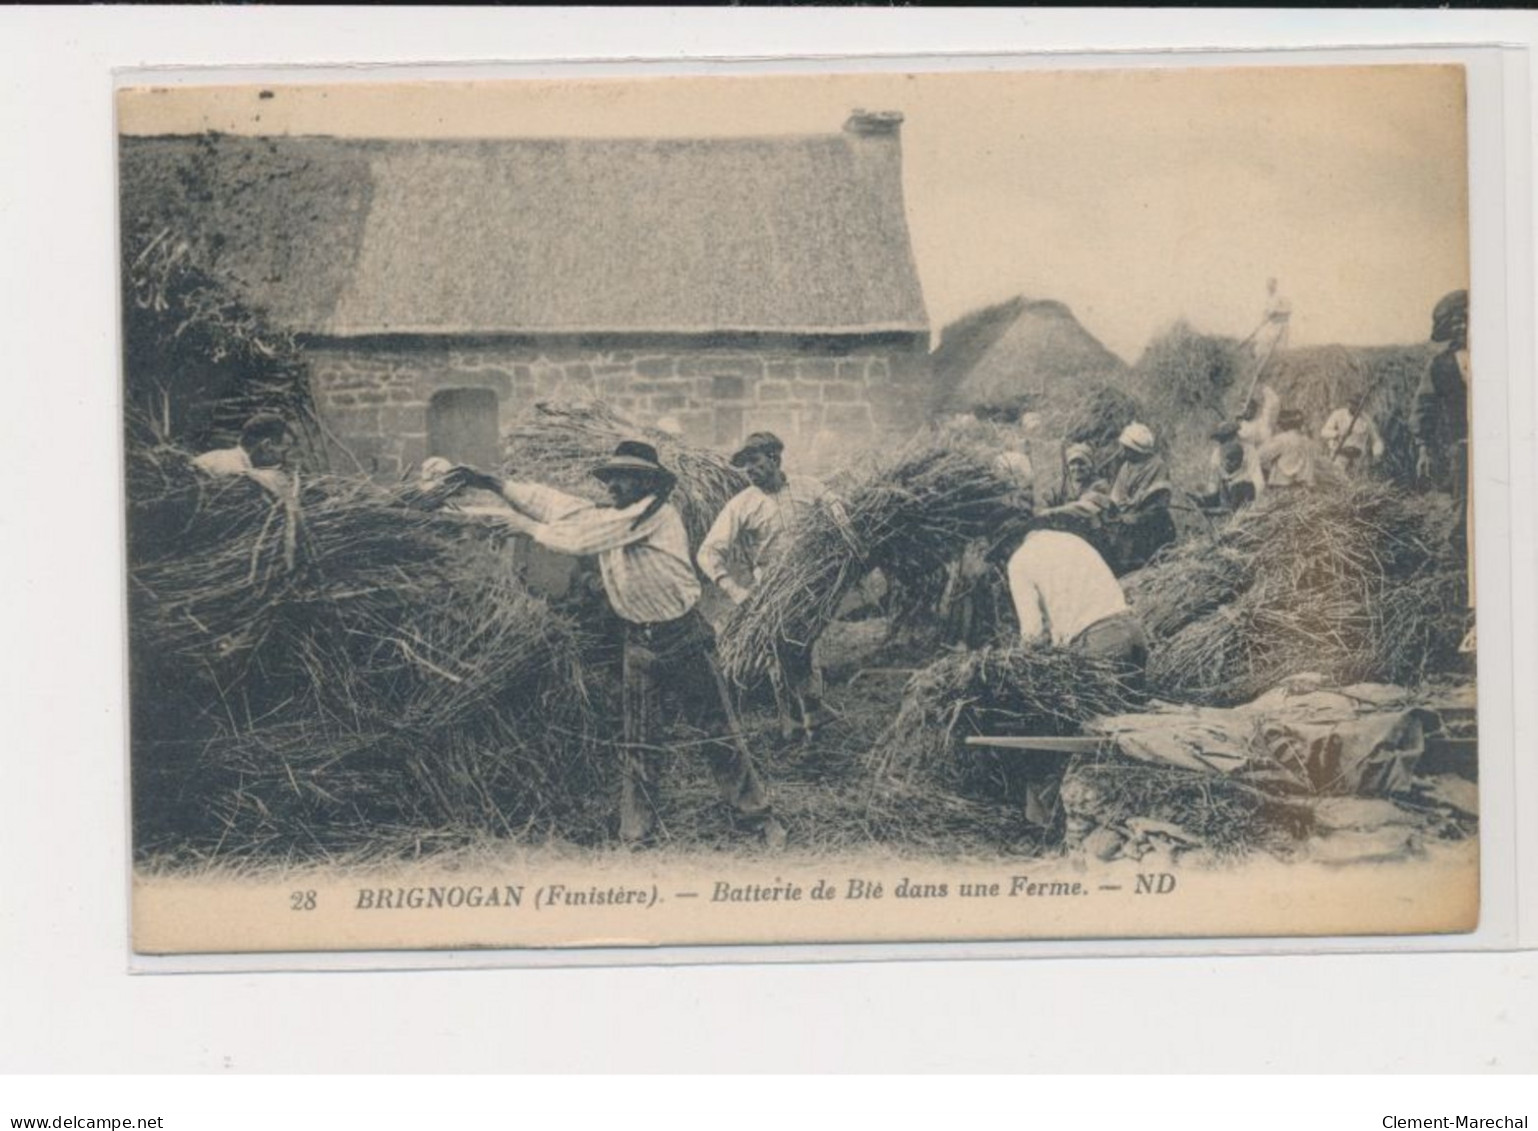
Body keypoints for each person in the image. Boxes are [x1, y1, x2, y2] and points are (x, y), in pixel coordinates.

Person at [449, 441, 785, 848]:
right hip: (639, 642)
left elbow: (580, 538)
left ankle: (757, 818)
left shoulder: (656, 515)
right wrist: (492, 483)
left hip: (683, 639)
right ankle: (635, 833)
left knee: (718, 732)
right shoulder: (615, 514)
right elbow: (551, 503)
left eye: (621, 477)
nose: (611, 483)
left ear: (646, 482)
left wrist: (526, 528)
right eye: (609, 476)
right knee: (638, 742)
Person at [697, 431, 847, 739]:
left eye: (754, 461)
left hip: (812, 585)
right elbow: (708, 551)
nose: (749, 470)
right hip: (772, 590)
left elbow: (838, 512)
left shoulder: (810, 488)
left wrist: (844, 534)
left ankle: (812, 721)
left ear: (774, 457)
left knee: (808, 648)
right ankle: (794, 723)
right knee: (778, 653)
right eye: (744, 466)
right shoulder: (742, 505)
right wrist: (735, 590)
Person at [1005, 522, 1150, 838]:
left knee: (1085, 738)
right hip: (1132, 632)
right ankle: (1135, 821)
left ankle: (1059, 828)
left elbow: (1032, 634)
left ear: (1006, 545)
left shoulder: (1018, 562)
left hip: (1100, 645)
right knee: (1134, 741)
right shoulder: (1069, 538)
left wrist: (1019, 669)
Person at [1103, 422, 1177, 573]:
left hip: (1152, 527)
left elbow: (1159, 506)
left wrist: (1136, 518)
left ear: (1136, 450)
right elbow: (1117, 497)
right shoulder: (1126, 467)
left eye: (1127, 449)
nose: (1123, 452)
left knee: (1149, 565)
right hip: (1127, 525)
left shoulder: (1157, 467)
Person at [192, 412, 294, 495]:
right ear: (266, 446)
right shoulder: (237, 472)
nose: (283, 460)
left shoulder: (215, 456)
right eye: (284, 452)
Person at [1200, 423, 1261, 514]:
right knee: (1222, 489)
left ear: (1235, 436)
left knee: (1239, 488)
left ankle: (1223, 508)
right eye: (1222, 441)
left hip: (1244, 490)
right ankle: (1209, 502)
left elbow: (1257, 478)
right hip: (1227, 490)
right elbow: (1214, 479)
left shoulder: (1249, 450)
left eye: (1228, 439)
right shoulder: (1217, 454)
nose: (1225, 443)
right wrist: (1212, 495)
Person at [1320, 394, 1385, 477]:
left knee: (1355, 484)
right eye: (1353, 404)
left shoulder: (1366, 420)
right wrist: (1338, 434)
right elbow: (1324, 432)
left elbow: (1376, 439)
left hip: (1357, 459)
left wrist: (1377, 453)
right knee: (1338, 479)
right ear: (1349, 404)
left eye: (1358, 405)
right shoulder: (1338, 414)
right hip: (1340, 456)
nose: (1356, 407)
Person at [1258, 408, 1323, 489]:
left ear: (1283, 425)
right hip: (1305, 487)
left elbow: (1260, 457)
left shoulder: (1282, 439)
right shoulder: (1308, 441)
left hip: (1283, 485)